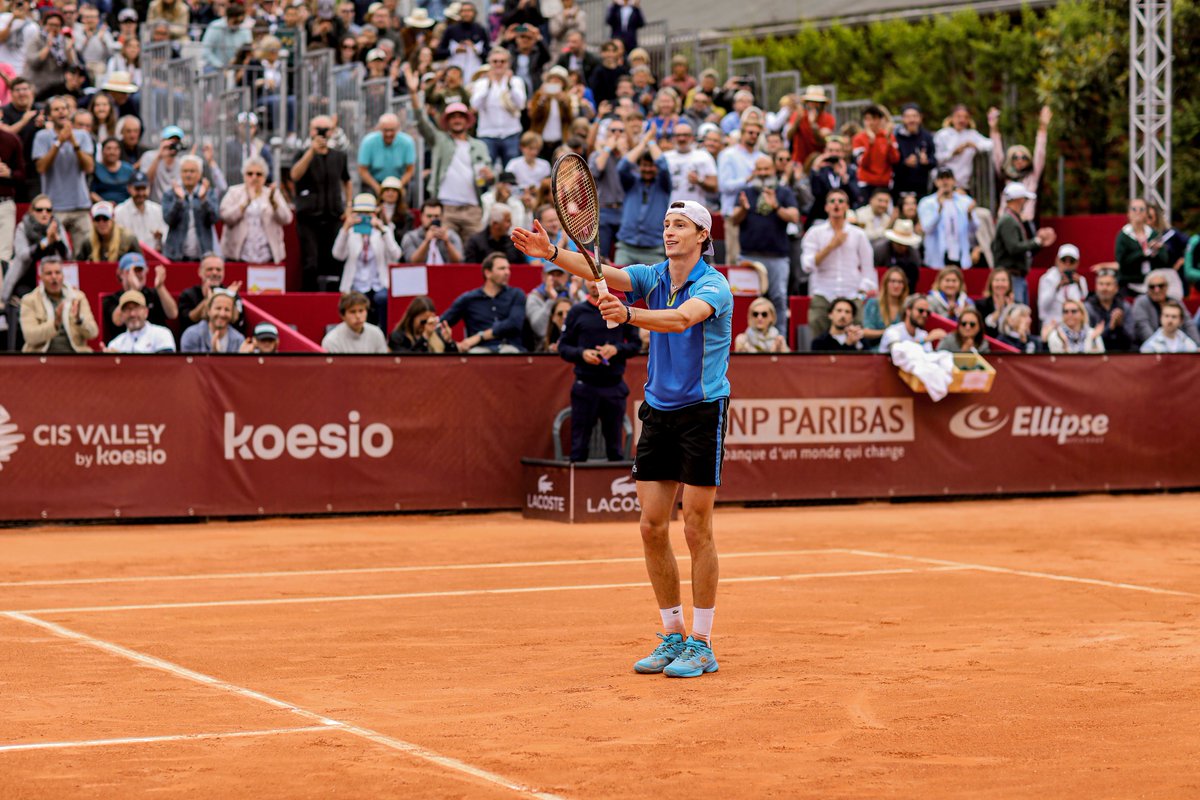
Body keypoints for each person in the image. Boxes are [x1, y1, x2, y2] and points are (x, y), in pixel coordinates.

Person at [512, 198, 733, 679]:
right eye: (666, 224)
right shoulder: (654, 276)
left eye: (680, 225)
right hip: (658, 410)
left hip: (702, 411)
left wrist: (628, 316)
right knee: (652, 527)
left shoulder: (714, 285)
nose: (669, 231)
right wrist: (551, 253)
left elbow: (680, 319)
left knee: (696, 528)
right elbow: (603, 271)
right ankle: (673, 635)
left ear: (702, 236)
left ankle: (702, 643)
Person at [557, 280, 642, 460]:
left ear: (607, 280)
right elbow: (563, 347)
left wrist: (616, 349)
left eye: (598, 278)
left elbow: (636, 344)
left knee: (615, 448)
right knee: (578, 448)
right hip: (585, 387)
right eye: (589, 279)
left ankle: (614, 479)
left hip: (614, 386)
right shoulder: (576, 312)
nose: (594, 283)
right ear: (583, 282)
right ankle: (578, 479)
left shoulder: (620, 309)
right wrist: (582, 353)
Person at [408, 66, 491, 241]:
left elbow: (490, 177)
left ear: (467, 121)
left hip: (472, 208)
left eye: (461, 116)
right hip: (445, 207)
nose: (457, 120)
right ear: (446, 121)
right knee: (445, 250)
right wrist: (413, 93)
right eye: (453, 117)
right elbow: (421, 121)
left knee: (474, 252)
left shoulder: (479, 146)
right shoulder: (440, 140)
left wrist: (490, 175)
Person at [730, 154, 799, 326]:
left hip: (777, 257)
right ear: (754, 171)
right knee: (746, 301)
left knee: (779, 299)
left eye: (766, 169)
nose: (762, 173)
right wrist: (743, 209)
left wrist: (776, 206)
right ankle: (745, 338)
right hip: (749, 256)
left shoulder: (784, 192)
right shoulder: (745, 192)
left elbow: (794, 217)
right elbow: (734, 220)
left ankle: (780, 338)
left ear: (773, 170)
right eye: (759, 169)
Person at [800, 188, 877, 338]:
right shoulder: (815, 233)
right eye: (832, 201)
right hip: (823, 292)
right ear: (826, 207)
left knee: (856, 335)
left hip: (851, 293)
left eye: (841, 201)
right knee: (817, 330)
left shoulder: (858, 234)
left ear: (847, 207)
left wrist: (861, 291)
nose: (836, 204)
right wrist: (830, 246)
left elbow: (868, 268)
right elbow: (807, 265)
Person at [291, 115, 352, 291]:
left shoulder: (339, 156)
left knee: (335, 259)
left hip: (334, 215)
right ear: (311, 131)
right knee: (311, 262)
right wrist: (311, 151)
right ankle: (309, 298)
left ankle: (334, 298)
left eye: (326, 129)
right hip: (309, 218)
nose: (322, 133)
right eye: (318, 129)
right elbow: (295, 175)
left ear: (332, 131)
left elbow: (347, 180)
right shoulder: (302, 153)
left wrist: (348, 206)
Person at [32, 95, 95, 248]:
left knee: (85, 253)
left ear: (69, 112)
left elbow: (89, 167)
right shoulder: (42, 137)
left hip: (80, 205)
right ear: (49, 115)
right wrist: (59, 142)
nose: (61, 112)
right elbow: (41, 168)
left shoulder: (82, 135)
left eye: (64, 108)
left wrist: (74, 143)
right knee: (56, 252)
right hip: (54, 207)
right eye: (56, 109)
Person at [334, 193, 402, 330]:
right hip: (356, 284)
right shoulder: (350, 232)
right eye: (360, 213)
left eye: (368, 214)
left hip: (379, 283)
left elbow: (396, 255)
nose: (364, 217)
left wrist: (382, 230)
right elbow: (338, 255)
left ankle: (384, 334)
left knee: (383, 299)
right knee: (356, 302)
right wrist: (345, 229)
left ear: (375, 214)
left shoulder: (383, 230)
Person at [438, 252, 527, 353]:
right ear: (487, 273)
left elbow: (514, 323)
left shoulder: (516, 294)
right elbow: (442, 323)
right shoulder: (468, 299)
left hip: (509, 347)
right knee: (477, 354)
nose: (507, 272)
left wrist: (480, 336)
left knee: (509, 353)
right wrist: (450, 341)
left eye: (508, 268)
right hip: (480, 350)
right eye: (502, 268)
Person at [218, 157, 292, 265]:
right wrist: (245, 203)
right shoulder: (234, 192)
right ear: (244, 176)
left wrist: (274, 203)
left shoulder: (272, 194)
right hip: (239, 256)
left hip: (267, 256)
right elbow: (225, 217)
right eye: (250, 174)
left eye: (259, 174)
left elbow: (287, 219)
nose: (254, 177)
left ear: (265, 177)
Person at [615, 127, 671, 265]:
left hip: (653, 249)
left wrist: (651, 143)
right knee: (616, 279)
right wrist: (643, 143)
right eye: (644, 165)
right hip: (626, 247)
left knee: (654, 280)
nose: (647, 169)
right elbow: (622, 166)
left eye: (651, 166)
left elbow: (663, 166)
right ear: (639, 166)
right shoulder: (631, 182)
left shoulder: (663, 184)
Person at [19, 254, 97, 352]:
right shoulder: (29, 300)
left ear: (63, 275)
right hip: (41, 356)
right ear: (41, 277)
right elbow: (30, 337)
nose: (54, 277)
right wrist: (55, 324)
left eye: (57, 272)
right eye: (49, 273)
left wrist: (79, 320)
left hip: (75, 355)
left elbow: (93, 333)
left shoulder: (78, 297)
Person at [992, 182, 1055, 304]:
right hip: (1012, 277)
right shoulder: (1008, 220)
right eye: (1025, 199)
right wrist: (1037, 241)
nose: (1025, 203)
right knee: (1017, 311)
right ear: (1019, 199)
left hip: (1016, 277)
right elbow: (1014, 248)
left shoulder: (1012, 219)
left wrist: (1038, 244)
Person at [99, 252, 178, 341]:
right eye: (131, 271)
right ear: (120, 274)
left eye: (140, 270)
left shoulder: (154, 294)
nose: (136, 274)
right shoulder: (112, 299)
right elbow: (118, 321)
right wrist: (133, 290)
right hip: (125, 345)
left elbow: (173, 314)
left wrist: (160, 287)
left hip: (155, 343)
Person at [989, 105, 1050, 220]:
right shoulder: (1005, 176)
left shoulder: (1032, 175)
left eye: (1024, 157)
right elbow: (996, 154)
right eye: (1015, 157)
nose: (1019, 160)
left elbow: (1040, 153)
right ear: (1010, 160)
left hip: (1026, 220)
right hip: (1006, 219)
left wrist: (1043, 126)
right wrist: (993, 128)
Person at [716, 115, 761, 261]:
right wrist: (748, 179)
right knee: (735, 259)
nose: (754, 136)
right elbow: (724, 186)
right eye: (750, 132)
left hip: (757, 215)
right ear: (742, 133)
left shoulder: (761, 156)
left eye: (757, 133)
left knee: (755, 260)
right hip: (733, 214)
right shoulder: (728, 155)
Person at [917, 167, 977, 270]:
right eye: (941, 178)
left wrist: (970, 215)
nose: (945, 181)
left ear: (954, 181)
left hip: (960, 255)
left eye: (948, 178)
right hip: (937, 257)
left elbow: (974, 230)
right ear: (936, 182)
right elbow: (927, 228)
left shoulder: (965, 201)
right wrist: (939, 209)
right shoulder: (926, 203)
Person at [162, 155, 219, 261]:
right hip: (176, 256)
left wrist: (204, 200)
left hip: (202, 255)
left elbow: (214, 219)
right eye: (185, 171)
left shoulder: (209, 193)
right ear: (180, 173)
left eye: (192, 171)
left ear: (200, 174)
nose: (188, 175)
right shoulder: (170, 194)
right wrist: (179, 201)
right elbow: (168, 220)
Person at [1129, 269, 1200, 348]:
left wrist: (1197, 345)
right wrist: (1159, 348)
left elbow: (1188, 324)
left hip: (1176, 344)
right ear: (1147, 289)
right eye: (1152, 287)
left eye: (1161, 286)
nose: (1157, 290)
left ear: (1167, 287)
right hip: (1150, 348)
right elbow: (1143, 327)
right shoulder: (1141, 302)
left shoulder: (1175, 301)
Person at [1115, 197, 1170, 294]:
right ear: (1128, 213)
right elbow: (1122, 262)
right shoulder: (1123, 235)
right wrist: (1143, 253)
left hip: (1152, 283)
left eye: (1141, 209)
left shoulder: (1153, 234)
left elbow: (1164, 261)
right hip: (1129, 283)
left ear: (1146, 213)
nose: (1138, 212)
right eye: (1134, 209)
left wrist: (1156, 252)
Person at [932, 104, 992, 189]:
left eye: (966, 117)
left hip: (962, 184)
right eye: (958, 116)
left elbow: (990, 144)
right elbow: (935, 158)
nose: (962, 120)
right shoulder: (942, 135)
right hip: (942, 183)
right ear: (951, 118)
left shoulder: (972, 134)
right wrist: (952, 153)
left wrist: (975, 145)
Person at [357, 113, 416, 197]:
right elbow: (362, 170)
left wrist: (398, 187)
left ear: (398, 129)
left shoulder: (407, 142)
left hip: (399, 182)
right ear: (379, 128)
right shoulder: (368, 142)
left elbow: (410, 170)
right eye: (385, 130)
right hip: (374, 183)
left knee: (407, 193)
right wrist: (378, 188)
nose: (389, 134)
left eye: (392, 130)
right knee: (368, 197)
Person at [104, 290, 176, 353]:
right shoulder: (115, 344)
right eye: (127, 309)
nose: (132, 314)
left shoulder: (162, 334)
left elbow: (166, 363)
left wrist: (122, 359)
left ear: (146, 312)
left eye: (136, 308)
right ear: (122, 315)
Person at [113, 171, 166, 253]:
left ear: (149, 188)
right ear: (129, 189)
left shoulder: (157, 210)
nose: (141, 193)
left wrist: (161, 238)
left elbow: (165, 237)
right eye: (137, 189)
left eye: (143, 188)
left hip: (154, 255)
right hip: (129, 255)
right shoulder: (119, 212)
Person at [1037, 244, 1088, 327]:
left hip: (1074, 326)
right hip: (1052, 324)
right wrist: (1057, 287)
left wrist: (1079, 286)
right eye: (1064, 260)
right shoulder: (1047, 279)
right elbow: (1043, 307)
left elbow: (1083, 305)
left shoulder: (1080, 280)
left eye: (1071, 261)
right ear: (1057, 260)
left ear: (1077, 263)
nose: (1067, 264)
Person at [851, 104, 899, 192]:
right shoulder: (858, 138)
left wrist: (889, 143)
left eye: (874, 118)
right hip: (866, 183)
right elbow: (862, 163)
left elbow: (895, 160)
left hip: (885, 183)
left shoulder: (888, 136)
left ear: (880, 120)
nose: (871, 122)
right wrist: (870, 144)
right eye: (867, 119)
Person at [322, 290, 389, 353]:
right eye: (352, 312)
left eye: (361, 311)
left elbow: (384, 361)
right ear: (342, 315)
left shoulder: (377, 333)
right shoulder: (331, 340)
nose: (358, 316)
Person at [1084, 267, 1133, 353]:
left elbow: (1131, 339)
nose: (1104, 288)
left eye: (1108, 284)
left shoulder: (1125, 307)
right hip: (1096, 354)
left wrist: (1119, 326)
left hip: (1123, 353)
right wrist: (1110, 327)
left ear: (1116, 288)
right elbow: (1087, 341)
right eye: (1101, 284)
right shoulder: (1088, 308)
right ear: (1096, 287)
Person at [893, 103, 936, 198]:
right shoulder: (896, 137)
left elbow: (934, 160)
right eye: (908, 117)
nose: (912, 120)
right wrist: (904, 163)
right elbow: (891, 162)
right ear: (903, 118)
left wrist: (927, 161)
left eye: (915, 116)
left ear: (920, 118)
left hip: (922, 188)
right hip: (900, 187)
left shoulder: (927, 136)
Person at [401, 199, 465, 264]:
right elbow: (411, 262)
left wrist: (447, 242)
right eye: (429, 216)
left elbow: (459, 261)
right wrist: (426, 241)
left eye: (436, 216)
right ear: (421, 216)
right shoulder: (411, 237)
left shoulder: (451, 236)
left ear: (442, 217)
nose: (433, 219)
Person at [180, 289, 244, 353]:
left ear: (232, 313)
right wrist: (214, 352)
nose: (222, 314)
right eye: (218, 308)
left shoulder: (239, 340)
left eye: (227, 310)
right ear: (208, 310)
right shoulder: (191, 335)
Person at [388, 295, 458, 353]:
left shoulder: (437, 334)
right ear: (412, 318)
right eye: (423, 322)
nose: (426, 326)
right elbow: (408, 361)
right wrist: (425, 337)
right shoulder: (398, 337)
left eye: (431, 322)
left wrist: (449, 342)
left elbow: (452, 361)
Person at [878, 294, 945, 354]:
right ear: (908, 310)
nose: (925, 315)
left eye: (927, 312)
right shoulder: (892, 331)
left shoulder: (923, 334)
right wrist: (925, 340)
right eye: (921, 311)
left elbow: (928, 359)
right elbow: (899, 353)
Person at [74, 200, 140, 261]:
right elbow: (78, 264)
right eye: (97, 219)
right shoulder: (88, 242)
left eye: (105, 218)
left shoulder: (128, 239)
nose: (101, 223)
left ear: (113, 219)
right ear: (93, 222)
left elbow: (140, 263)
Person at [861, 266, 908, 351]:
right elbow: (866, 331)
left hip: (902, 350)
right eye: (892, 281)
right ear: (886, 284)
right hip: (876, 351)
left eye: (900, 282)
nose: (896, 285)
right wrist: (888, 333)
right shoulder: (873, 304)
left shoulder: (907, 306)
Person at [0, 124, 26, 262]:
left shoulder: (11, 140)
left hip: (5, 203)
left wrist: (9, 173)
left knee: (4, 255)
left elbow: (22, 175)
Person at [874, 220, 922, 292]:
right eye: (899, 244)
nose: (902, 247)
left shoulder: (914, 255)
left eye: (905, 244)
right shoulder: (880, 251)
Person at [975, 267, 1014, 338]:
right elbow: (983, 328)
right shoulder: (981, 305)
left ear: (1009, 284)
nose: (1000, 284)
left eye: (1003, 280)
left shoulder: (1016, 305)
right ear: (991, 284)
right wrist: (999, 311)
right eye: (997, 280)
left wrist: (1010, 309)